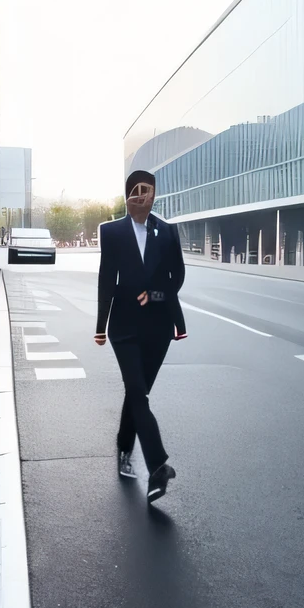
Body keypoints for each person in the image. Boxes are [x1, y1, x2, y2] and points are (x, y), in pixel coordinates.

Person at [95, 170, 186, 503]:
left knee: (137, 394)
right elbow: (107, 279)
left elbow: (177, 279)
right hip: (124, 327)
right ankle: (158, 465)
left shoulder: (168, 231)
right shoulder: (113, 232)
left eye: (146, 190)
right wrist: (100, 325)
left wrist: (157, 295)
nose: (140, 195)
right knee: (137, 392)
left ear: (154, 195)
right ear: (126, 195)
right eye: (134, 190)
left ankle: (123, 448)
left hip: (158, 329)